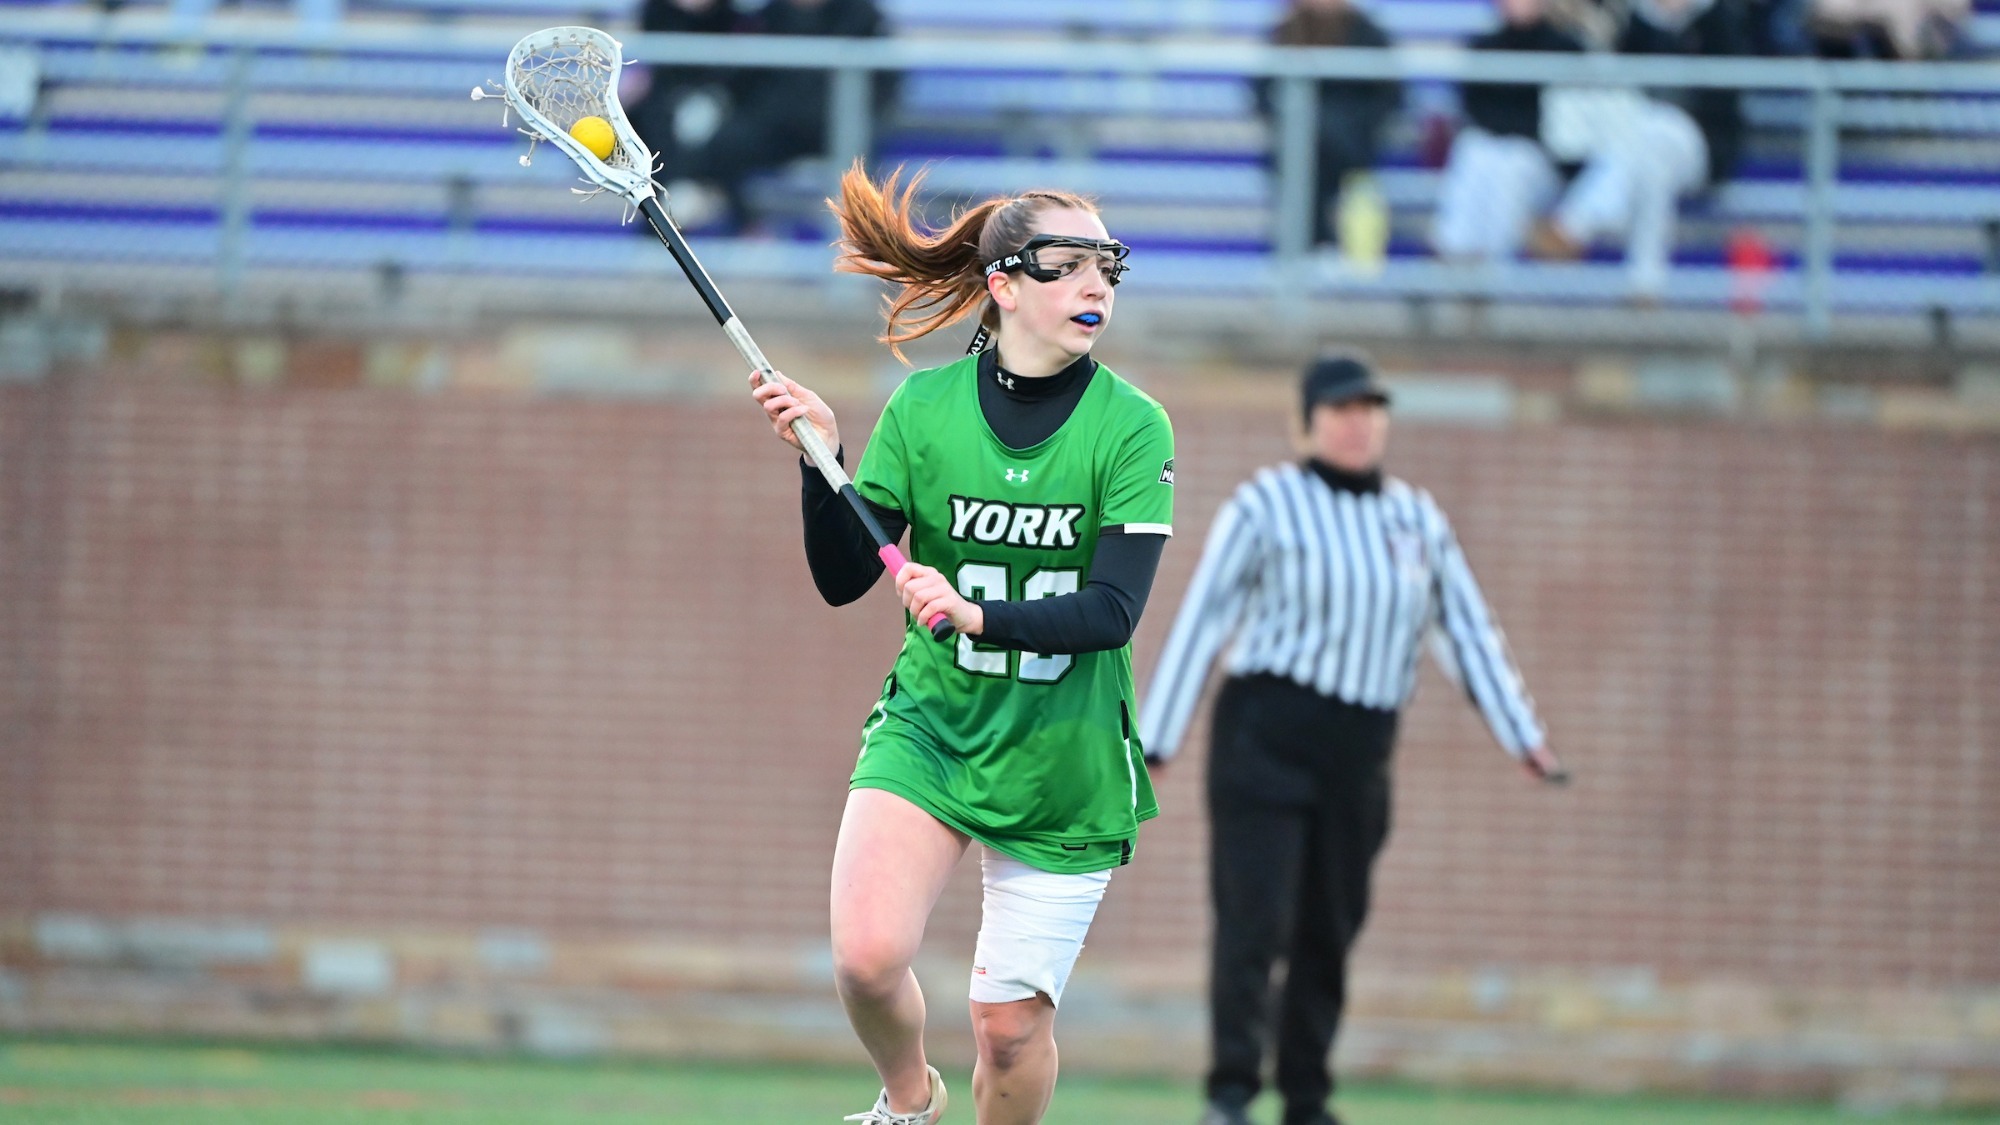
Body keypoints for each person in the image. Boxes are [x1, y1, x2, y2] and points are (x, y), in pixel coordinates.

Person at [749, 163, 1177, 1125]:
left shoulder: (1134, 429)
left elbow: (1113, 610)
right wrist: (825, 464)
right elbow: (842, 578)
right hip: (934, 728)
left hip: (1063, 758)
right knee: (864, 958)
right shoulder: (925, 411)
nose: (1096, 286)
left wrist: (980, 613)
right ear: (1003, 286)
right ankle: (908, 1105)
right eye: (1068, 267)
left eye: (1108, 267)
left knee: (1007, 1029)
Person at [1137, 354, 1566, 1125]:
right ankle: (1230, 1091)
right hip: (1264, 736)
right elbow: (1203, 619)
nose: (1358, 422)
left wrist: (1523, 735)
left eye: (1370, 408)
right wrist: (1157, 739)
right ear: (1306, 423)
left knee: (1329, 927)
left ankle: (1307, 1097)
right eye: (1339, 409)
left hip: (1360, 750)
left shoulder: (1417, 519)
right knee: (1254, 919)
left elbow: (1465, 628)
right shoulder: (1264, 504)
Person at [1529, 0, 1753, 299]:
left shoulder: (1717, 19)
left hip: (1698, 142)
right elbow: (1613, 85)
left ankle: (1574, 224)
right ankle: (1646, 285)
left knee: (1654, 128)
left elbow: (1723, 100)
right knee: (1651, 162)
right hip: (1640, 143)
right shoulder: (1635, 19)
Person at [665, 0, 892, 233]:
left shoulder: (860, 14)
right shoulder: (768, 16)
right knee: (722, 140)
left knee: (855, 160)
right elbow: (741, 84)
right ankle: (745, 229)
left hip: (836, 128)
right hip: (775, 129)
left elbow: (883, 89)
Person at [1431, 0, 1585, 262]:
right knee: (1474, 150)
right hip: (1495, 148)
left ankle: (1492, 265)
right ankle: (1453, 253)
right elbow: (1475, 110)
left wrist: (1514, 128)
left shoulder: (1566, 48)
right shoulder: (1483, 46)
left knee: (1512, 163)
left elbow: (1563, 124)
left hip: (1542, 160)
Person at [1256, 0, 1402, 248]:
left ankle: (1324, 244)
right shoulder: (1286, 32)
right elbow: (1263, 92)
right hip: (1298, 143)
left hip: (1351, 144)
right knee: (1300, 157)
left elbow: (1388, 96)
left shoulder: (1369, 34)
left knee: (1321, 155)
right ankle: (1308, 245)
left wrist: (1352, 126)